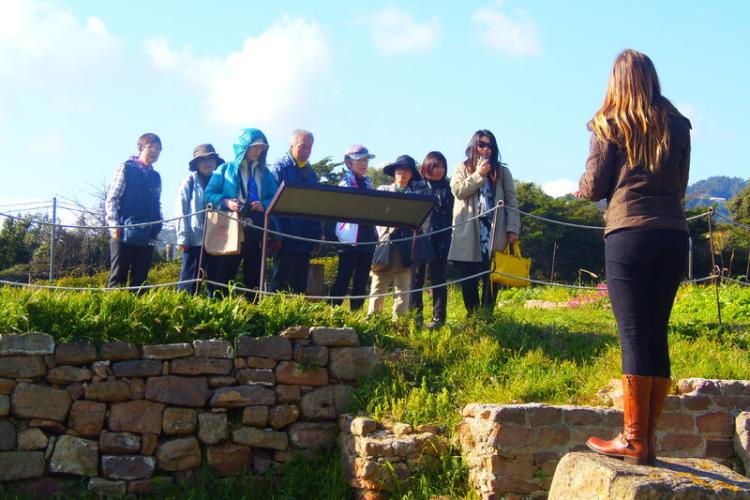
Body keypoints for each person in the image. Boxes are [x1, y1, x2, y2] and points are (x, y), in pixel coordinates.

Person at [580, 50, 691, 465]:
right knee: (655, 333)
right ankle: (648, 438)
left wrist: (581, 187)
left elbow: (594, 186)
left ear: (616, 80)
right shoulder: (678, 123)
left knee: (632, 334)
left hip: (628, 231)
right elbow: (680, 181)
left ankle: (632, 439)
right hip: (673, 233)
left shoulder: (608, 122)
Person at [448, 130, 520, 314]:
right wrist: (479, 174)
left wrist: (513, 229)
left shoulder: (502, 171)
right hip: (469, 229)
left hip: (495, 229)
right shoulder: (461, 167)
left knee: (493, 274)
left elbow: (512, 201)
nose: (485, 149)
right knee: (469, 275)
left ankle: (487, 315)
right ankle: (473, 316)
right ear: (473, 146)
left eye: (490, 145)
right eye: (481, 144)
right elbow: (458, 190)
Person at [204, 128, 278, 297]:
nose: (258, 151)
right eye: (254, 147)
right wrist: (226, 202)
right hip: (230, 227)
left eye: (261, 148)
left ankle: (253, 314)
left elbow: (275, 197)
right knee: (223, 272)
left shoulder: (265, 173)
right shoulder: (225, 169)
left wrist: (263, 205)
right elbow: (208, 194)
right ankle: (217, 311)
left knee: (254, 274)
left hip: (256, 227)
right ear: (243, 147)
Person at [367, 155, 430, 319]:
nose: (402, 173)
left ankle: (398, 325)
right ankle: (372, 322)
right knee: (378, 285)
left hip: (406, 247)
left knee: (403, 289)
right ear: (394, 172)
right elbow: (377, 217)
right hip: (385, 245)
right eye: (399, 169)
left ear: (411, 175)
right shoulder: (383, 191)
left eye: (406, 170)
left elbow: (422, 224)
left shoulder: (416, 198)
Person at [105, 132, 163, 290]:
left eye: (158, 149)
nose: (154, 151)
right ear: (141, 147)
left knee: (141, 279)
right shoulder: (125, 168)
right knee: (118, 276)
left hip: (148, 235)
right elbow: (113, 198)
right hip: (123, 231)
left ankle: (137, 313)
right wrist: (114, 225)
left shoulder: (156, 177)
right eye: (151, 146)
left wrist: (157, 227)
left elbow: (157, 204)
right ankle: (112, 311)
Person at [270, 129, 322, 294]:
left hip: (305, 237)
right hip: (285, 236)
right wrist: (276, 234)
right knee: (280, 283)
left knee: (300, 286)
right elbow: (271, 204)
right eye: (302, 146)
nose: (306, 150)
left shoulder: (311, 174)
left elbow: (315, 207)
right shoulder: (278, 168)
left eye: (310, 147)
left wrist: (317, 236)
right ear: (291, 145)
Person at [329, 145, 378, 310]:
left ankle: (356, 313)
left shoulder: (368, 183)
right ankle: (332, 311)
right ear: (349, 162)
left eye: (366, 160)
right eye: (359, 160)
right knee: (343, 277)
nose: (364, 164)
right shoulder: (345, 183)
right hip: (348, 238)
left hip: (367, 238)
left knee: (362, 280)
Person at [410, 151, 454, 328]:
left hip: (441, 237)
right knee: (416, 279)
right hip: (420, 237)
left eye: (442, 166)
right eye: (435, 166)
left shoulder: (449, 188)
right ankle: (416, 316)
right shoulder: (416, 186)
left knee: (439, 278)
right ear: (427, 166)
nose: (439, 170)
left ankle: (439, 318)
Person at [175, 144, 224, 295]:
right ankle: (183, 310)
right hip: (194, 239)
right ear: (196, 163)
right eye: (203, 159)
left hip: (216, 238)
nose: (208, 162)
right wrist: (183, 238)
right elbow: (181, 211)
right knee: (189, 280)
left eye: (211, 159)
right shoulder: (189, 182)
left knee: (217, 281)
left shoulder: (221, 183)